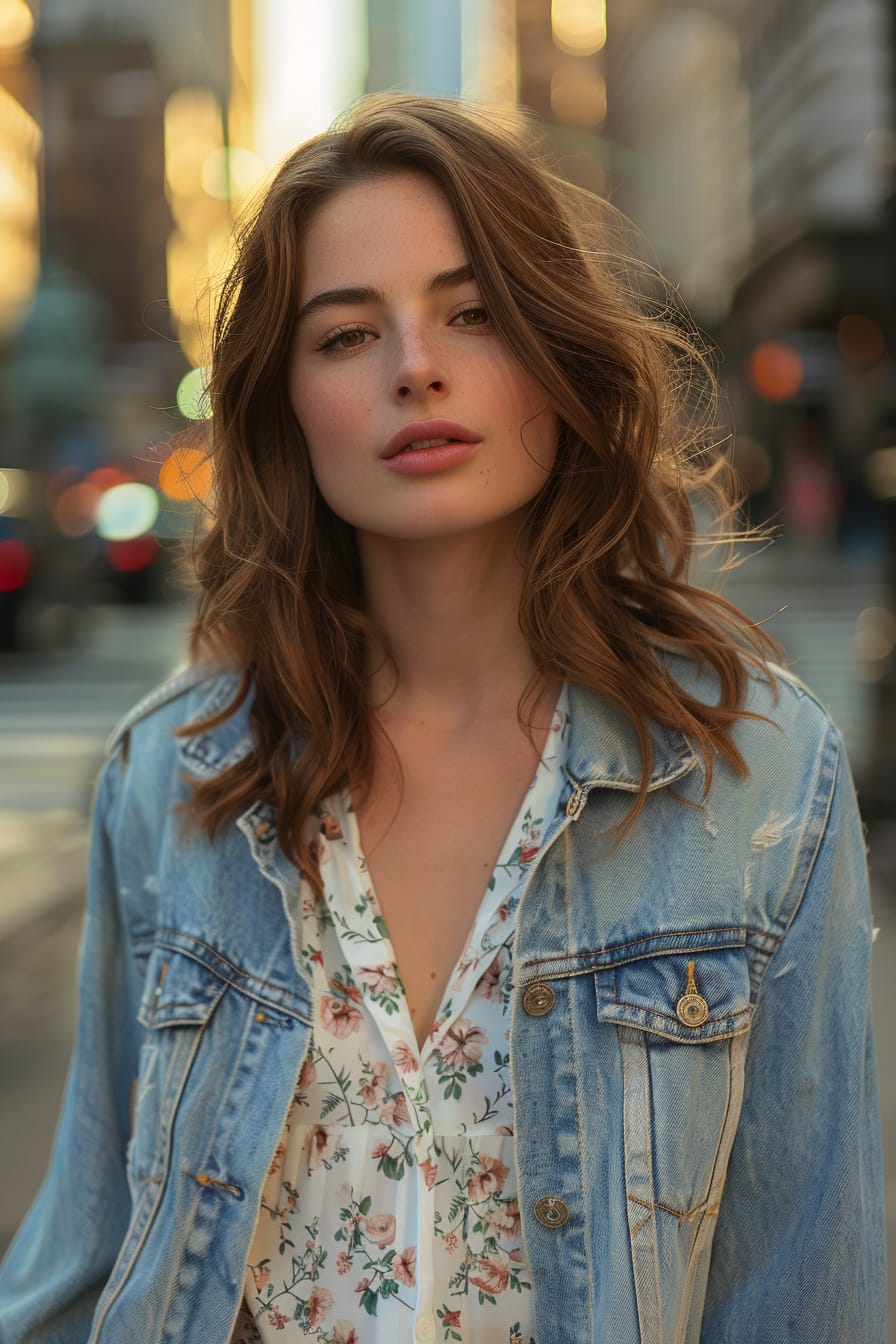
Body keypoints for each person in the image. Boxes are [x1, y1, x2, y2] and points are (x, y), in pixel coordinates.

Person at [0, 94, 885, 1344]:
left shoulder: (757, 779)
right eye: (346, 334)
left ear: (554, 352)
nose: (415, 364)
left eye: (471, 313)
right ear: (285, 406)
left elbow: (806, 1295)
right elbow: (86, 1256)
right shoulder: (176, 773)